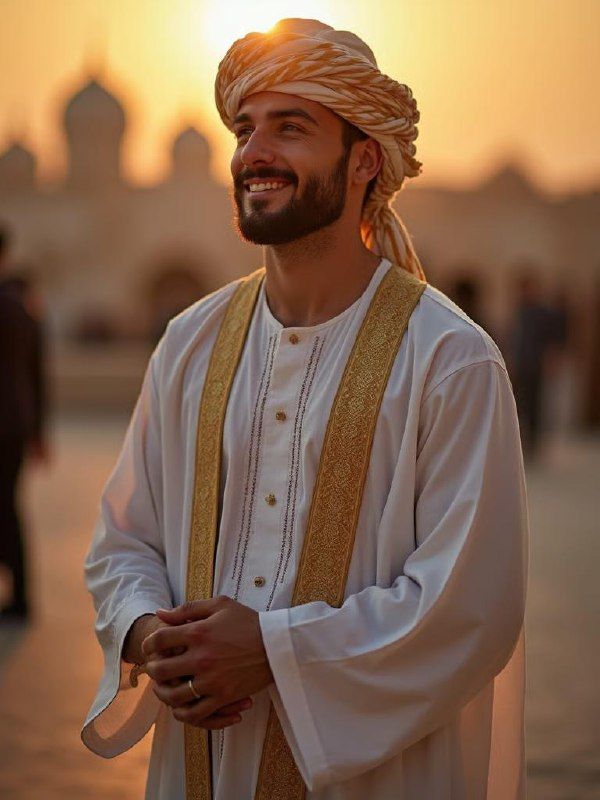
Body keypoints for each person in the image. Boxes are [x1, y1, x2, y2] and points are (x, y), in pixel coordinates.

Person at [81, 19, 529, 800]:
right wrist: (151, 634)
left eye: (291, 127)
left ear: (364, 160)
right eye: (244, 129)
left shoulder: (449, 361)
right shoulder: (189, 344)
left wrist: (272, 652)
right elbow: (124, 539)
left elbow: (469, 605)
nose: (254, 152)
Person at [0, 228, 48, 623]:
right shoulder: (23, 308)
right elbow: (37, 375)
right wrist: (38, 431)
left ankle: (19, 598)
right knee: (7, 506)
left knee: (4, 508)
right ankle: (19, 594)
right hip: (16, 423)